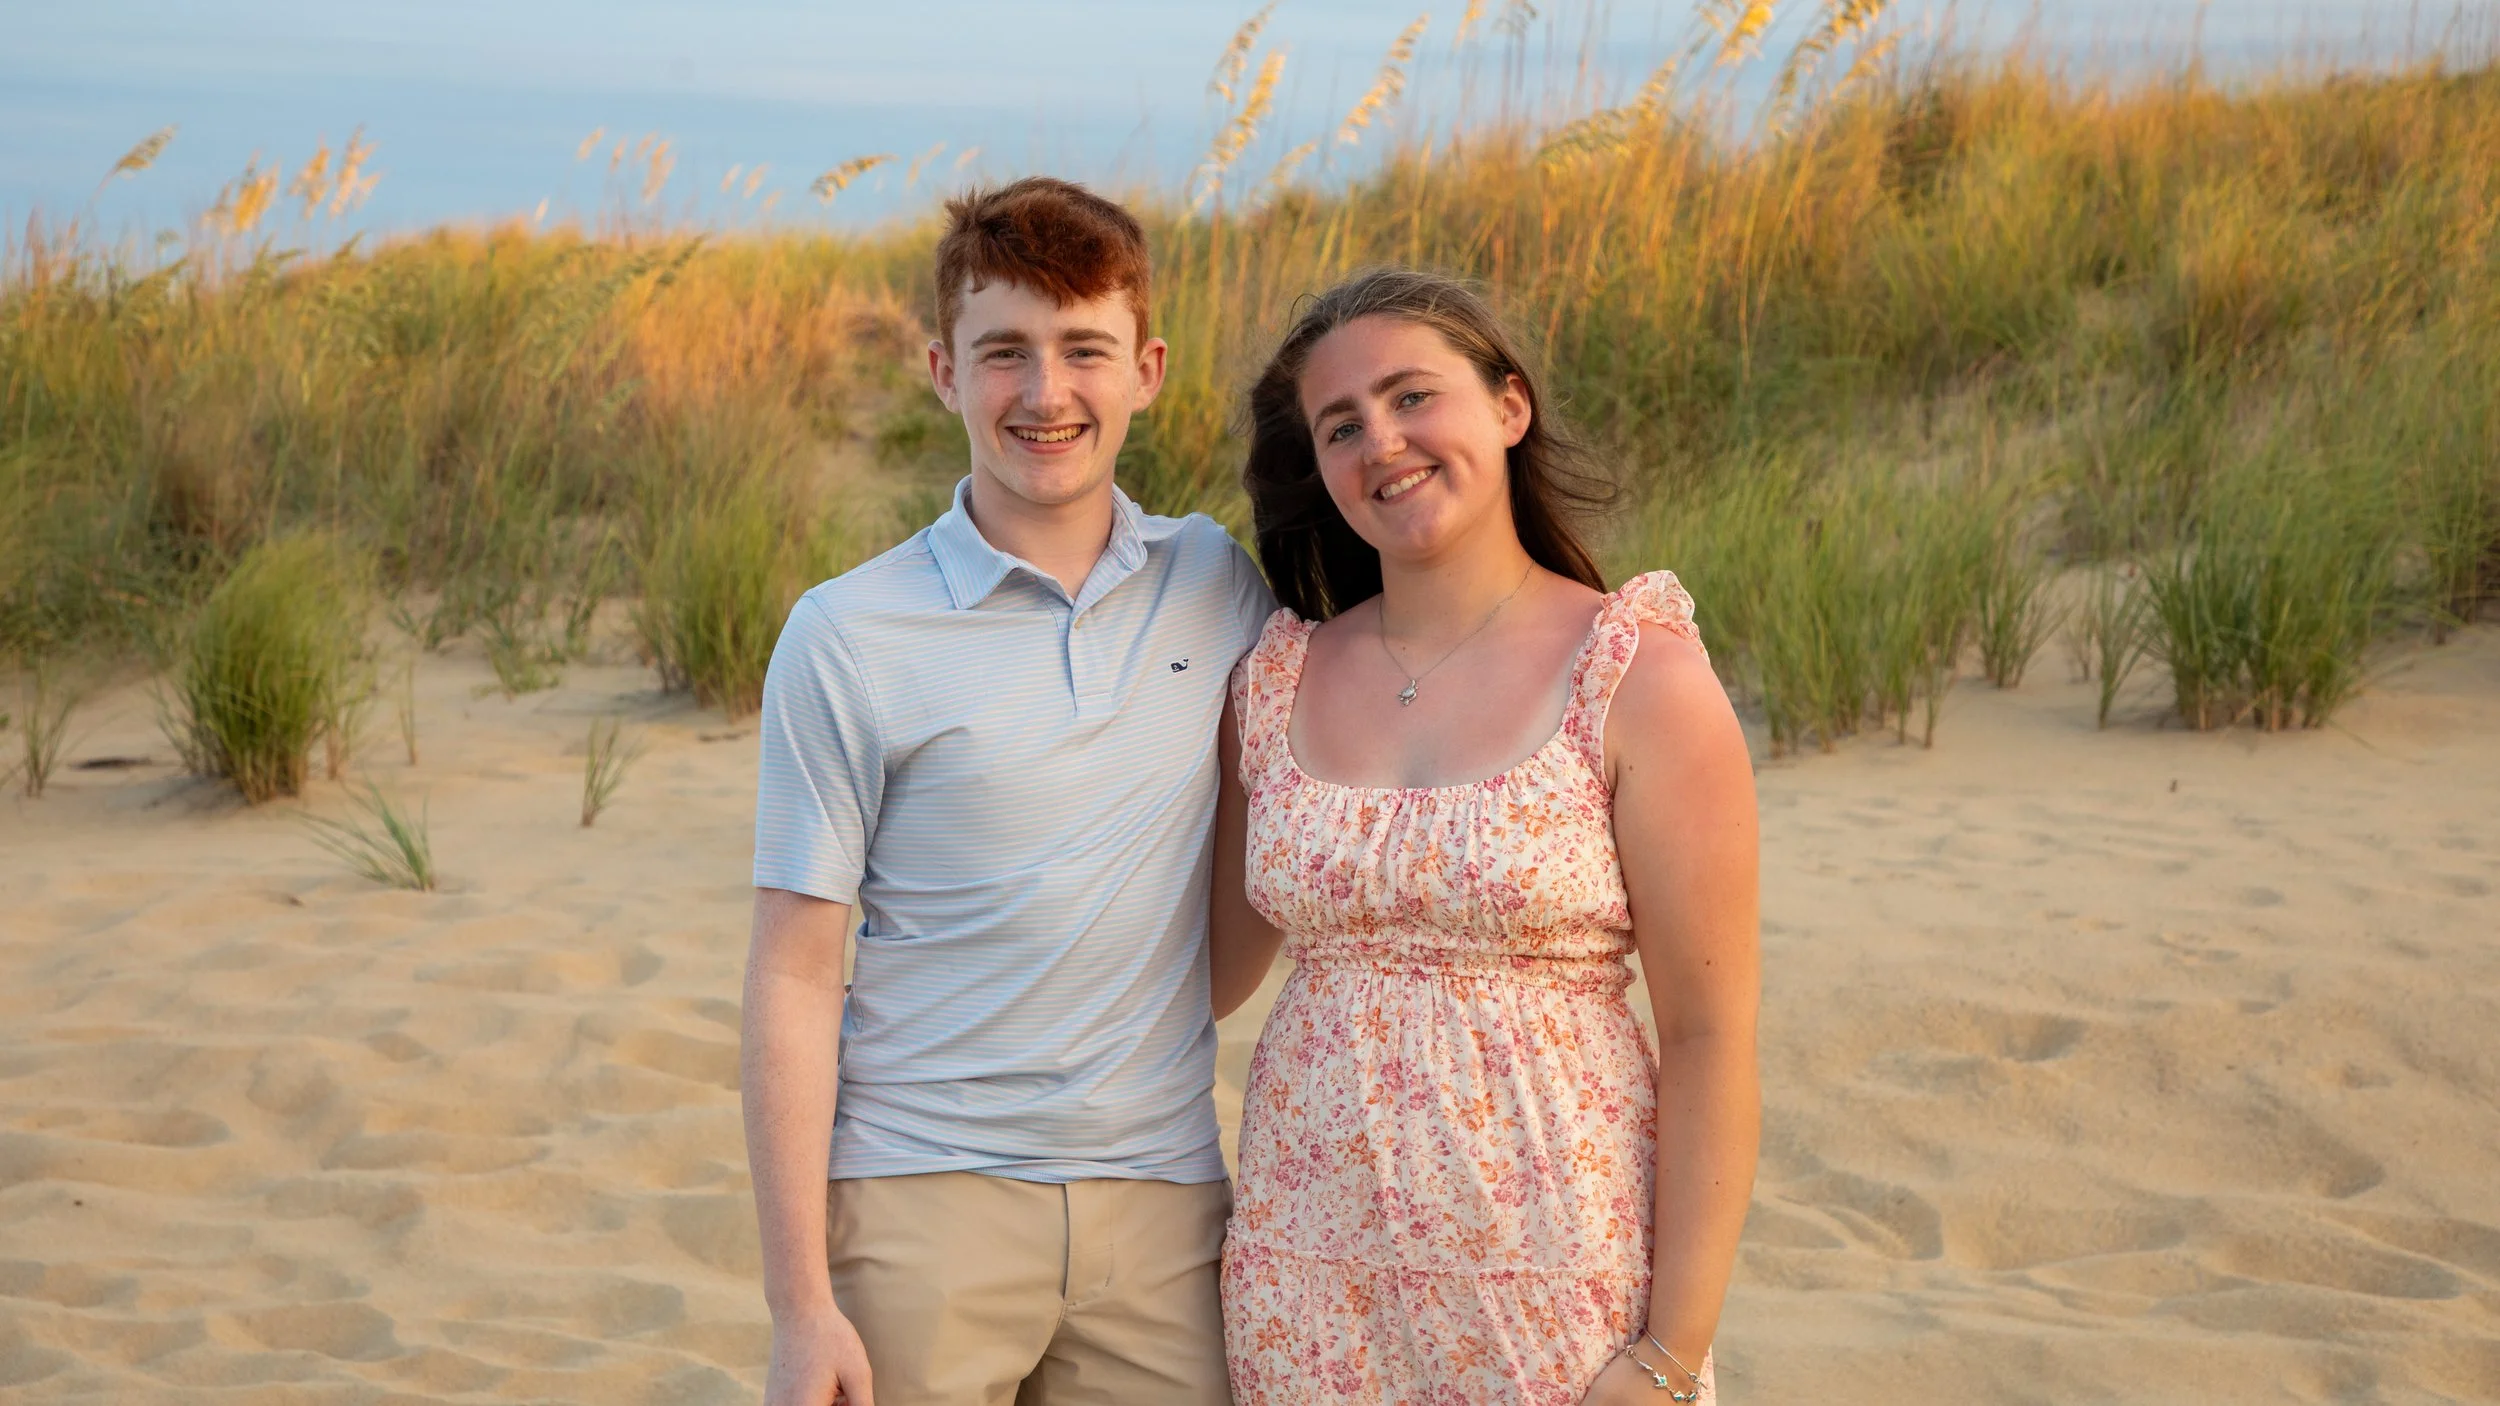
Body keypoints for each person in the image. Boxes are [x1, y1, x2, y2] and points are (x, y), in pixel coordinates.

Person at [745, 177, 1273, 1406]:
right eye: (1003, 354)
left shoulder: (1218, 585)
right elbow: (792, 972)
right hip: (924, 1197)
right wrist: (797, 1303)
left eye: (1082, 348)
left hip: (1165, 1201)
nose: (1045, 393)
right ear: (942, 370)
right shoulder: (848, 633)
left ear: (1145, 367)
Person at [1209, 268, 1761, 1404]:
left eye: (1414, 396)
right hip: (1307, 1287)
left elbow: (1710, 1038)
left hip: (1558, 1281)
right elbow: (1203, 975)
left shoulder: (1634, 671)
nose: (1382, 442)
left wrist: (1667, 1353)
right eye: (1341, 424)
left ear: (1508, 407)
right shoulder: (1272, 682)